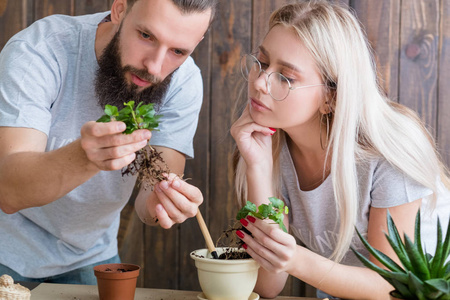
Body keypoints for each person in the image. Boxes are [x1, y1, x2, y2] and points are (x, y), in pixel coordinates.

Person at [230, 1, 450, 299]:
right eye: (263, 62)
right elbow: (269, 285)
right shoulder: (268, 148)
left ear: (331, 98)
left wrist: (295, 259)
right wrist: (257, 168)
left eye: (286, 77)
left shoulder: (388, 153)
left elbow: (392, 287)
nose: (259, 82)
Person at [0, 0, 217, 285]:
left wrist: (160, 204)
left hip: (92, 256)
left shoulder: (184, 81)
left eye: (178, 51)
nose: (154, 67)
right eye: (146, 36)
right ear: (119, 10)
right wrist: (84, 157)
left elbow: (149, 203)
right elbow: (9, 192)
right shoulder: (39, 50)